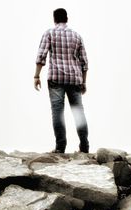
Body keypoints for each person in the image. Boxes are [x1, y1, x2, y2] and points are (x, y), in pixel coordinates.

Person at [34, 8, 89, 153]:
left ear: (54, 19)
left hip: (56, 78)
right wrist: (83, 82)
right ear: (67, 19)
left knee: (58, 113)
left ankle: (60, 148)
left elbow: (41, 56)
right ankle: (84, 146)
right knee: (78, 112)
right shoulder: (76, 36)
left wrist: (36, 76)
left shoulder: (49, 33)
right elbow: (84, 62)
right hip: (74, 78)